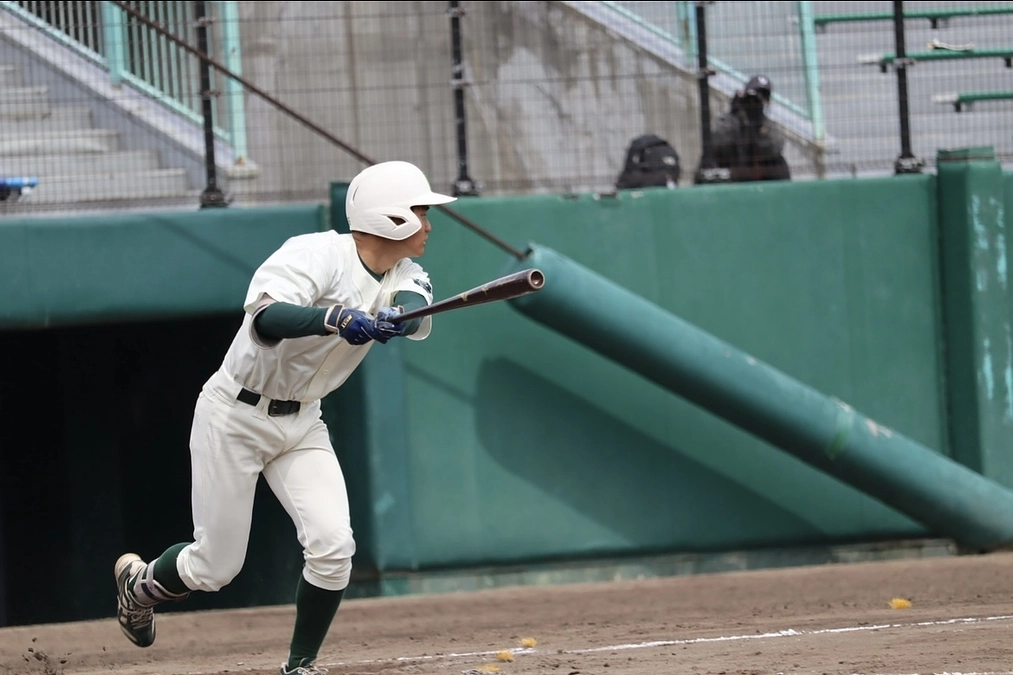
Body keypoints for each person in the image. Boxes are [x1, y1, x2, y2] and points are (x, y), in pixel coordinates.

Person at [113, 160, 456, 675]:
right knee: (215, 566)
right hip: (234, 413)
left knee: (334, 546)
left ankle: (299, 666)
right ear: (390, 218)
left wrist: (394, 321)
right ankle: (139, 587)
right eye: (420, 213)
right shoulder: (316, 252)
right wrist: (335, 319)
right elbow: (266, 317)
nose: (429, 224)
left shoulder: (405, 272)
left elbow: (413, 304)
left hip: (302, 423)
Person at [710, 75, 790, 182]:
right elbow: (714, 140)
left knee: (780, 164)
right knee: (708, 160)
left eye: (763, 96)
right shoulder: (730, 120)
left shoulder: (766, 125)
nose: (754, 102)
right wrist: (734, 114)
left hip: (758, 176)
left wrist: (759, 131)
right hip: (732, 174)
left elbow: (777, 147)